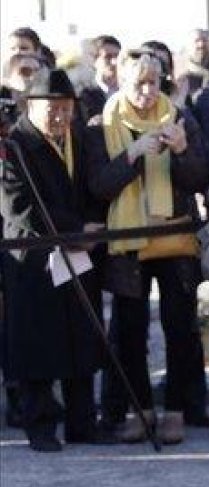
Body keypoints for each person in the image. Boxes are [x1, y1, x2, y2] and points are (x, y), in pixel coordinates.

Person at [85, 50, 209, 444]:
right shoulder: (98, 125)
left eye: (153, 82)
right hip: (127, 243)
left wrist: (182, 151)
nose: (146, 90)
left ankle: (174, 411)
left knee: (179, 328)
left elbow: (200, 178)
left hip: (174, 238)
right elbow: (99, 186)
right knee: (132, 333)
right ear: (122, 82)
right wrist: (133, 154)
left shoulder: (180, 118)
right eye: (138, 82)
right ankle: (141, 411)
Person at [0, 69, 111, 451]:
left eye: (66, 108)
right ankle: (41, 424)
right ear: (30, 106)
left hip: (80, 254)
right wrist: (78, 229)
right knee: (38, 343)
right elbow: (19, 208)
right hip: (35, 257)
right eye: (53, 109)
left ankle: (83, 422)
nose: (61, 117)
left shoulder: (77, 139)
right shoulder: (13, 146)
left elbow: (92, 188)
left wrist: (93, 227)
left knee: (82, 334)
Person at [77, 35, 121, 122]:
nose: (114, 62)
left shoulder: (128, 91)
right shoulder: (84, 95)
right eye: (108, 57)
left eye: (117, 56)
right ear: (94, 60)